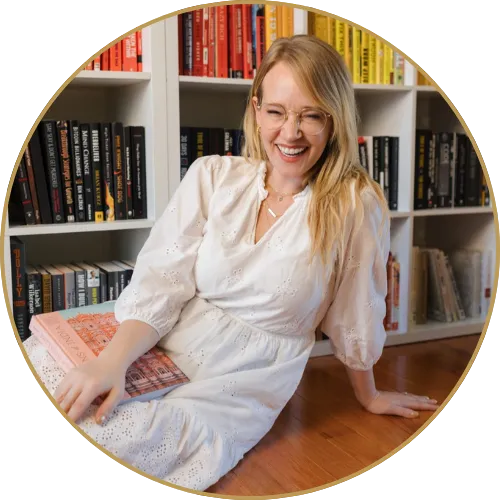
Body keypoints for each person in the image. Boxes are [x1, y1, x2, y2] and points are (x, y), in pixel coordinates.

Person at [22, 33, 439, 492]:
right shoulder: (213, 176)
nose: (291, 133)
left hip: (245, 378)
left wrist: (369, 394)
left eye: (311, 115)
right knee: (47, 370)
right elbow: (162, 282)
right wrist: (112, 363)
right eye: (276, 112)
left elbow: (356, 312)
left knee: (116, 434)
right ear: (256, 109)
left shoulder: (354, 204)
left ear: (335, 119)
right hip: (166, 340)